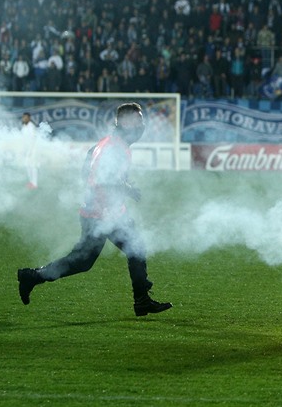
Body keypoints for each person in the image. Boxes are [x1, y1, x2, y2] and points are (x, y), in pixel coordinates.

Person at [17, 103, 172, 317]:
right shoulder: (114, 147)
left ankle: (142, 300)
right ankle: (32, 277)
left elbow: (87, 170)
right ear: (126, 123)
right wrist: (125, 189)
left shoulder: (111, 144)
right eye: (138, 121)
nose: (142, 126)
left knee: (111, 254)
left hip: (109, 212)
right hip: (101, 215)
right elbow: (100, 180)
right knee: (98, 258)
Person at [21, 112, 40, 189]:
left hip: (33, 148)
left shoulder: (31, 126)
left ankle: (35, 184)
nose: (24, 119)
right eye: (23, 117)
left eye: (26, 117)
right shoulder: (24, 126)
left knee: (33, 166)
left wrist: (31, 150)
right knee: (27, 165)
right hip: (27, 148)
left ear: (29, 118)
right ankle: (31, 181)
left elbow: (33, 139)